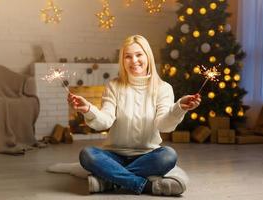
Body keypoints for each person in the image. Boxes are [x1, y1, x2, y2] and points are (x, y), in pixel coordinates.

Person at [67, 35, 201, 196]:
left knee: (168, 156)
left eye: (139, 55)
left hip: (147, 155)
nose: (134, 60)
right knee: (87, 155)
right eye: (128, 56)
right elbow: (105, 121)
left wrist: (179, 108)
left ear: (147, 56)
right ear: (122, 61)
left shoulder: (163, 88)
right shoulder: (114, 86)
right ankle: (146, 186)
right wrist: (87, 109)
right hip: (114, 155)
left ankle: (108, 181)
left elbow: (163, 125)